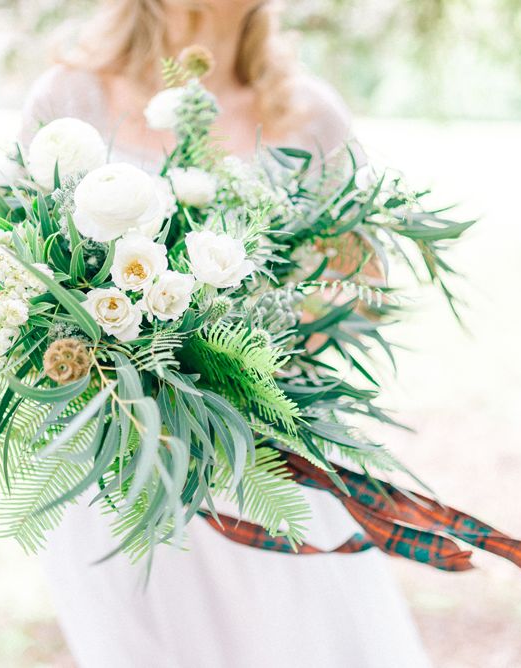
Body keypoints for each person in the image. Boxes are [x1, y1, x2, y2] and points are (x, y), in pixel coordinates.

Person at [21, 2, 431, 666]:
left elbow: (363, 287)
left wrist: (262, 347)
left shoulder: (311, 113)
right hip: (114, 459)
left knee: (297, 640)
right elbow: (16, 264)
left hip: (265, 459)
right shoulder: (69, 96)